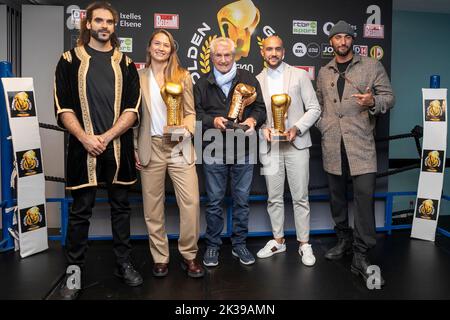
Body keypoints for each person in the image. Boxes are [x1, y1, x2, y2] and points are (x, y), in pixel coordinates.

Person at [53, 1, 142, 300]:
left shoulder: (126, 63)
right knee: (80, 212)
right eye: (99, 21)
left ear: (114, 27)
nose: (104, 26)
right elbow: (63, 107)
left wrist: (105, 136)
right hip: (83, 149)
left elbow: (132, 109)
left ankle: (123, 263)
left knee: (121, 209)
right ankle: (74, 272)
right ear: (88, 24)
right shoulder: (68, 61)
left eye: (110, 22)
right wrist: (86, 138)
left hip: (118, 149)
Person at [315, 20, 395, 286]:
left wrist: (373, 101)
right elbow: (318, 103)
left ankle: (361, 253)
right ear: (331, 42)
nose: (342, 42)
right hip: (332, 144)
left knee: (363, 199)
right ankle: (343, 241)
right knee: (337, 198)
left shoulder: (371, 66)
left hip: (361, 144)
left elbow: (389, 98)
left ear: (352, 41)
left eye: (346, 38)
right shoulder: (324, 71)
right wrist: (323, 125)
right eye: (337, 38)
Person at [134, 29, 204, 278]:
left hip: (179, 146)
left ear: (172, 50)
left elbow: (190, 111)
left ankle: (189, 255)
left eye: (166, 44)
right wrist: (135, 147)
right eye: (157, 43)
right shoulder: (137, 76)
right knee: (153, 207)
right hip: (150, 144)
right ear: (150, 46)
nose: (161, 48)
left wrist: (186, 130)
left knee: (191, 203)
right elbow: (133, 116)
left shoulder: (183, 75)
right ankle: (160, 257)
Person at [194, 37, 266, 267]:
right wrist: (211, 120)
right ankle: (213, 246)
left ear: (234, 56)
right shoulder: (202, 83)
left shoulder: (248, 79)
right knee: (214, 202)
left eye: (228, 55)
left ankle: (239, 245)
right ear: (211, 57)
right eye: (218, 55)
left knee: (242, 201)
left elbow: (261, 109)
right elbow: (194, 114)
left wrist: (254, 120)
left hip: (244, 149)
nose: (223, 60)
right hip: (212, 150)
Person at [255, 35, 321, 266]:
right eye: (268, 49)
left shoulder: (299, 75)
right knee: (274, 198)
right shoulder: (257, 80)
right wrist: (262, 128)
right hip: (270, 147)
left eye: (277, 49)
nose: (273, 53)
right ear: (263, 52)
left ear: (283, 52)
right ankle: (278, 240)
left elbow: (314, 108)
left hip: (297, 144)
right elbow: (257, 114)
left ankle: (304, 244)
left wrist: (297, 127)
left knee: (300, 197)